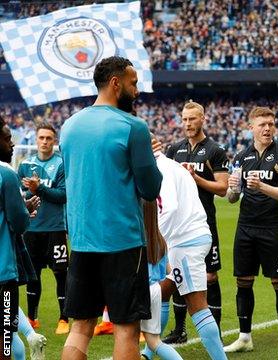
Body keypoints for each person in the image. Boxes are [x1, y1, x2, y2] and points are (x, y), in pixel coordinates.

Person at [59, 56, 163, 360]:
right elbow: (150, 188)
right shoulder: (133, 126)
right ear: (116, 83)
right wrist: (151, 159)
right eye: (133, 83)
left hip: (81, 240)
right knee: (127, 328)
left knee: (81, 326)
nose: (137, 89)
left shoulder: (69, 126)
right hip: (123, 241)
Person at [225, 107, 278, 358]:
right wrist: (233, 188)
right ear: (251, 127)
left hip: (272, 228)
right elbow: (232, 198)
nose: (267, 128)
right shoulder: (241, 156)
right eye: (262, 124)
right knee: (243, 282)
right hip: (245, 227)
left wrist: (262, 186)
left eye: (271, 123)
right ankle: (245, 337)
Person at [152, 146, 227, 359]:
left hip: (185, 241)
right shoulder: (172, 165)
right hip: (190, 237)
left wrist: (156, 243)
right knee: (164, 291)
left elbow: (169, 207)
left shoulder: (160, 169)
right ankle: (149, 350)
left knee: (196, 303)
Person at [164, 100, 229, 344]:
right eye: (184, 119)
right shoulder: (174, 150)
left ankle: (217, 332)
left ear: (203, 119)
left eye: (192, 119)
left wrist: (196, 178)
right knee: (177, 274)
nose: (188, 123)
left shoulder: (215, 150)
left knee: (210, 277)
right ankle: (179, 330)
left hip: (204, 222)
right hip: (177, 224)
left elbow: (222, 188)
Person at [17, 123, 69, 334]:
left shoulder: (60, 164)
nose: (45, 142)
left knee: (61, 274)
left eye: (49, 138)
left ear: (54, 141)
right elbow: (21, 198)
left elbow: (62, 196)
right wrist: (31, 192)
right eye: (41, 138)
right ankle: (32, 318)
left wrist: (40, 188)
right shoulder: (25, 165)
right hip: (32, 229)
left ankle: (64, 319)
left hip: (55, 228)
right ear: (36, 140)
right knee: (33, 275)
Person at [0, 116, 32, 360]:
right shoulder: (6, 175)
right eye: (7, 139)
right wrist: (26, 210)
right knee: (5, 340)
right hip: (2, 273)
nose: (12, 144)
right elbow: (19, 222)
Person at [139, 200, 183, 360]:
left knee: (126, 336)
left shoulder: (135, 239)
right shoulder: (159, 239)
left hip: (140, 291)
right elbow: (169, 270)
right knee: (154, 342)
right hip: (155, 291)